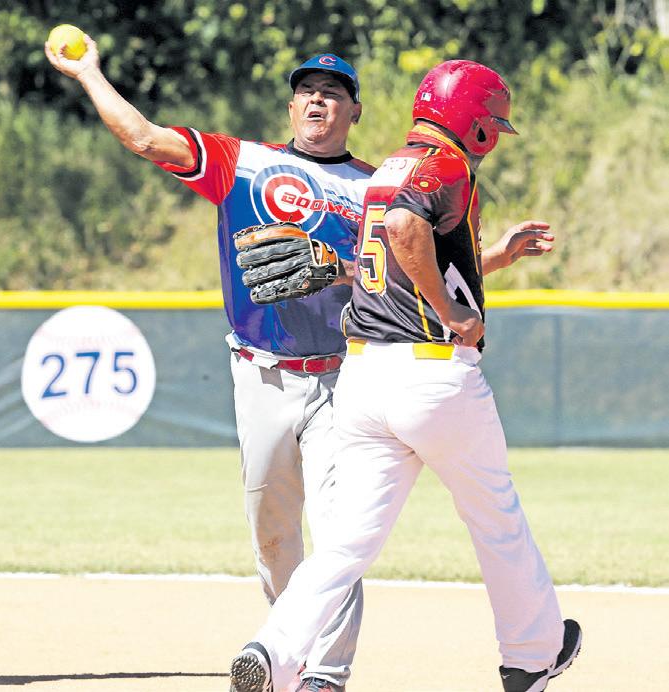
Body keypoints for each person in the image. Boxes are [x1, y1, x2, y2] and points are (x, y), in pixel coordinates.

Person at [46, 38, 557, 692]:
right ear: (290, 106)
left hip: (345, 376)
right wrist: (89, 72)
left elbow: (407, 268)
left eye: (333, 93)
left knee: (342, 532)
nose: (317, 100)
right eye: (306, 91)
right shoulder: (243, 163)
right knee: (274, 536)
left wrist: (492, 259)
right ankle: (284, 656)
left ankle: (325, 676)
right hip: (262, 372)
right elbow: (145, 138)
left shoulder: (375, 180)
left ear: (355, 111)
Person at [228, 60, 581, 692]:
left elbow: (402, 254)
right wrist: (452, 314)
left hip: (364, 378)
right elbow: (404, 229)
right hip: (432, 376)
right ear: (476, 124)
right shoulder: (447, 166)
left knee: (345, 543)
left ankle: (273, 651)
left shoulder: (389, 168)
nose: (493, 137)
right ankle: (532, 655)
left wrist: (494, 257)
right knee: (496, 519)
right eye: (493, 125)